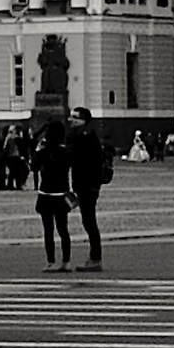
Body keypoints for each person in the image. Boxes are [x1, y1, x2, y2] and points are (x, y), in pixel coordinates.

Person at [64, 108, 108, 271]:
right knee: (88, 221)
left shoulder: (85, 137)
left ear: (84, 121)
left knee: (89, 221)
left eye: (75, 117)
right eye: (71, 117)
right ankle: (94, 257)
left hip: (87, 185)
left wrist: (93, 185)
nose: (71, 120)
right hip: (83, 185)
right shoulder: (79, 136)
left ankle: (95, 258)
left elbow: (88, 161)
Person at [32, 119, 74, 273]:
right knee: (63, 229)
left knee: (48, 230)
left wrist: (37, 150)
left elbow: (34, 167)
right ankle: (66, 261)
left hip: (46, 193)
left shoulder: (43, 152)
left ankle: (51, 261)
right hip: (61, 193)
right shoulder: (66, 152)